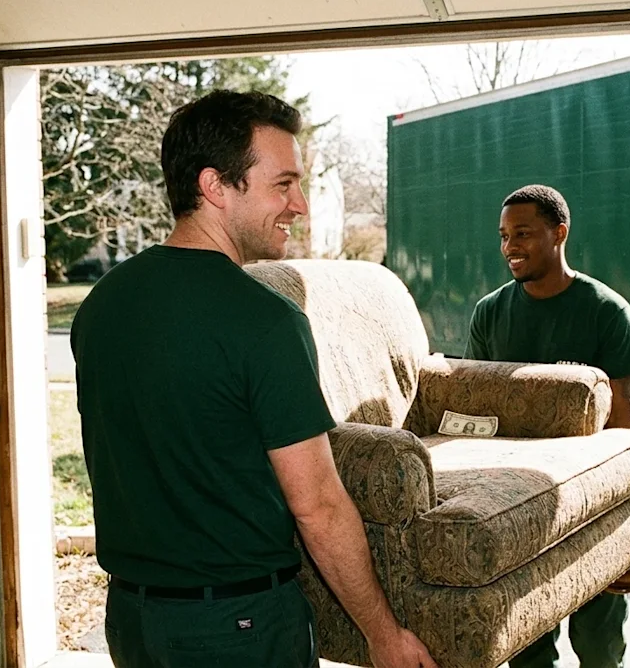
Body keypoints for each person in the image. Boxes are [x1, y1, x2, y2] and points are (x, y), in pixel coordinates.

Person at [71, 90, 437, 668]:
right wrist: (384, 635)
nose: (299, 205)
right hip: (236, 630)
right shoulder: (266, 321)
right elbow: (318, 506)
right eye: (282, 184)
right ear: (215, 186)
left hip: (132, 622)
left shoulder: (103, 303)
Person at [463, 184, 630, 668]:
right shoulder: (489, 313)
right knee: (527, 654)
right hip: (517, 508)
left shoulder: (607, 311)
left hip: (591, 507)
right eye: (504, 236)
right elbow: (476, 422)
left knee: (600, 648)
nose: (510, 246)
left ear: (559, 233)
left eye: (523, 233)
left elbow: (624, 425)